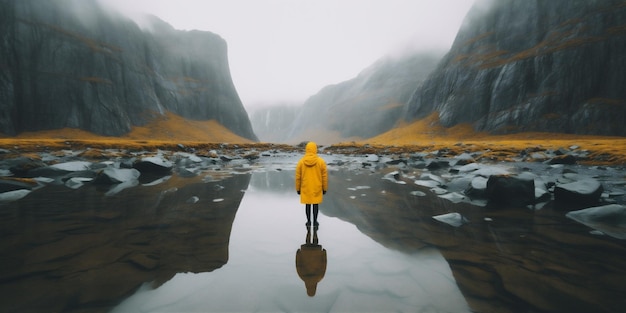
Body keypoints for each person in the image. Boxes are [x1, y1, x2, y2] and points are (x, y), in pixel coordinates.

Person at [295, 141, 328, 226]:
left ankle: (308, 221)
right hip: (317, 187)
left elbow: (298, 177)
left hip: (306, 187)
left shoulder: (301, 162)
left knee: (308, 205)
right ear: (315, 149)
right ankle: (315, 221)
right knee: (315, 205)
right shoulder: (321, 162)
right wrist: (324, 188)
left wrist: (298, 189)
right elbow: (324, 177)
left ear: (306, 149)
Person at [295, 225, 327, 297]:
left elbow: (323, 265)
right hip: (305, 252)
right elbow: (298, 265)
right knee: (307, 242)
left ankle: (315, 232)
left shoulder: (319, 277)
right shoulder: (302, 276)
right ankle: (309, 231)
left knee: (315, 243)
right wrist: (298, 254)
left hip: (317, 253)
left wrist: (324, 254)